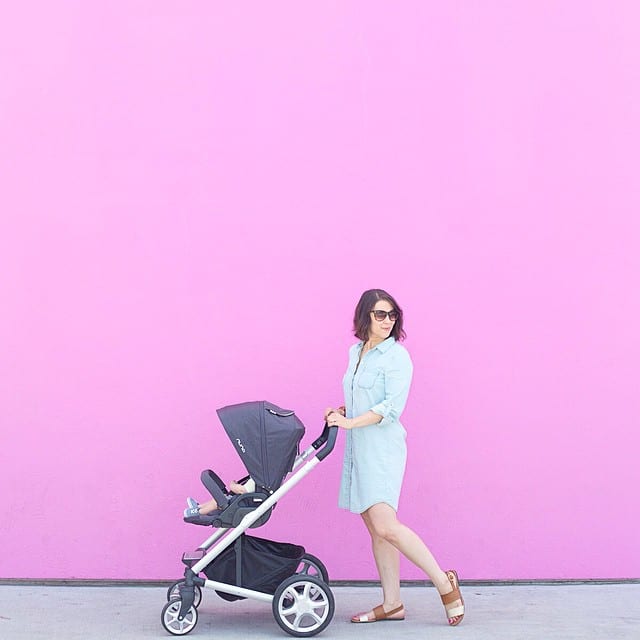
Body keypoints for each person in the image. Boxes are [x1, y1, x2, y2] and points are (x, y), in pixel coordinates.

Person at [324, 288, 465, 625]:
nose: (387, 321)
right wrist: (344, 411)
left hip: (383, 450)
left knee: (387, 525)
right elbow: (362, 394)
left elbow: (390, 408)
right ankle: (392, 603)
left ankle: (444, 583)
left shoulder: (397, 357)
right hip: (359, 448)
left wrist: (350, 421)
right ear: (365, 317)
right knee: (376, 529)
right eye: (380, 314)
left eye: (392, 315)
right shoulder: (355, 352)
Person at [183, 477, 256, 517]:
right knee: (220, 499)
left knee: (219, 503)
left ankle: (199, 512)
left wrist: (232, 485)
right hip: (239, 498)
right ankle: (199, 507)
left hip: (241, 502)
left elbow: (242, 490)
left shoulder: (256, 481)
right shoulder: (257, 478)